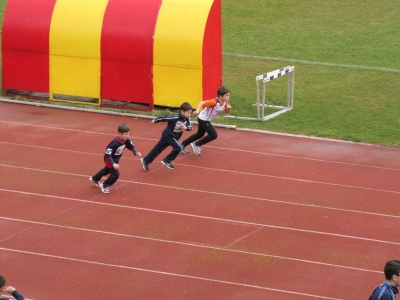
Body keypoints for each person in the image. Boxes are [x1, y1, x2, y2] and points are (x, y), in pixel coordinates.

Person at [179, 86, 232, 156]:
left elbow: (226, 112)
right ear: (220, 96)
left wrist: (228, 109)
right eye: (226, 95)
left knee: (199, 134)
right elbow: (202, 102)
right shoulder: (214, 102)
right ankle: (196, 144)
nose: (228, 97)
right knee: (213, 135)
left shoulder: (225, 102)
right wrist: (197, 110)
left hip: (206, 119)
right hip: (203, 119)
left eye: (228, 95)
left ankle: (182, 144)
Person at [90, 123, 141, 194]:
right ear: (120, 133)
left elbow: (131, 146)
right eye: (126, 134)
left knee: (107, 170)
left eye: (128, 134)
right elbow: (108, 154)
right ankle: (105, 185)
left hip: (116, 159)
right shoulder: (114, 143)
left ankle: (95, 179)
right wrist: (113, 163)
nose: (127, 136)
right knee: (115, 174)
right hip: (109, 159)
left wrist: (135, 151)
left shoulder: (126, 140)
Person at [140, 102, 193, 171]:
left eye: (190, 113)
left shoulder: (187, 118)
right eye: (188, 113)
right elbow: (165, 117)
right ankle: (167, 160)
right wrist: (156, 120)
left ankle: (146, 160)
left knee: (158, 148)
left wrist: (186, 127)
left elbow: (190, 127)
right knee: (178, 148)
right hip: (168, 135)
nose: (189, 115)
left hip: (174, 136)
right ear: (182, 111)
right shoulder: (175, 117)